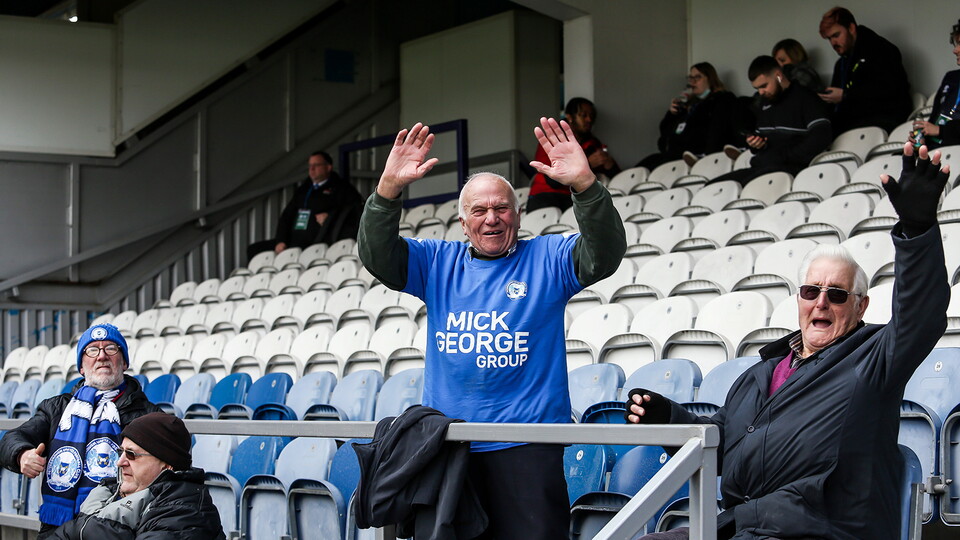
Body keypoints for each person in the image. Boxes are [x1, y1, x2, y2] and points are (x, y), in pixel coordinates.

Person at [626, 143, 950, 540]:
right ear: (799, 299)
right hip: (740, 527)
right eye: (812, 291)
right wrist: (671, 420)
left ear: (861, 306)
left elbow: (922, 315)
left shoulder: (875, 358)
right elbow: (721, 443)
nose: (822, 302)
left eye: (837, 294)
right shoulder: (760, 374)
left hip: (819, 531)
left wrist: (917, 231)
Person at [358, 119, 626, 539]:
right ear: (463, 223)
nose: (491, 219)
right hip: (450, 447)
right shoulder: (436, 262)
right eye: (479, 211)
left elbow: (604, 255)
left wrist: (585, 185)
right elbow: (379, 256)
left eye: (501, 208)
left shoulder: (549, 257)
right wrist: (388, 189)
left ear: (518, 215)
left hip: (527, 448)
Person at [0, 323, 161, 539]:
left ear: (124, 362)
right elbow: (12, 438)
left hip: (117, 528)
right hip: (57, 527)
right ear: (82, 367)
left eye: (111, 348)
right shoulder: (56, 408)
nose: (102, 356)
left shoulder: (149, 415)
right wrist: (21, 454)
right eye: (92, 350)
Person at [49, 412, 225, 539]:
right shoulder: (108, 492)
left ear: (167, 464)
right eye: (121, 452)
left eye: (132, 455)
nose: (120, 462)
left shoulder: (185, 512)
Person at [707, 55, 831, 186]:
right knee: (710, 187)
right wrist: (756, 144)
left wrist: (785, 156)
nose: (760, 92)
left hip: (790, 169)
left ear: (778, 75)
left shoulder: (806, 98)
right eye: (757, 89)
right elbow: (764, 142)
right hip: (762, 166)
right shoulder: (765, 103)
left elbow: (821, 137)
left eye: (764, 86)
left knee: (735, 189)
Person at [246, 150, 363, 261]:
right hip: (293, 239)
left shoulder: (341, 188)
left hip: (316, 241)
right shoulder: (304, 189)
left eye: (316, 165)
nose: (312, 169)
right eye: (310, 165)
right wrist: (281, 241)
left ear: (328, 167)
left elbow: (355, 213)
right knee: (254, 249)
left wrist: (330, 218)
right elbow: (286, 216)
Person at [819, 7, 913, 134]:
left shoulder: (880, 49)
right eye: (829, 39)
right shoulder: (841, 64)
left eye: (836, 35)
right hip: (856, 124)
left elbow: (889, 91)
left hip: (884, 121)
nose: (833, 42)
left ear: (851, 28)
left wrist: (845, 96)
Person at [638, 63, 741, 170]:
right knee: (641, 168)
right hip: (672, 155)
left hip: (694, 156)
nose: (692, 82)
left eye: (697, 77)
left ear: (710, 79)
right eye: (690, 78)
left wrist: (708, 157)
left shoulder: (722, 100)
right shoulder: (688, 105)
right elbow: (664, 135)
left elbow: (717, 132)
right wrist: (672, 114)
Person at [526, 97, 620, 212]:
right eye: (583, 115)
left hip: (576, 197)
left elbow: (616, 177)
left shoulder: (593, 143)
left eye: (591, 116)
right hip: (545, 195)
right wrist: (589, 163)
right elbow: (552, 181)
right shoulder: (553, 139)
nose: (589, 119)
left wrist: (610, 166)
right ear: (569, 117)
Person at [912, 19, 960, 149]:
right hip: (934, 151)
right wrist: (922, 138)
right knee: (899, 158)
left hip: (954, 153)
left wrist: (940, 131)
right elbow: (934, 120)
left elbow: (938, 128)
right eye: (956, 44)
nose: (955, 50)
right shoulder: (951, 78)